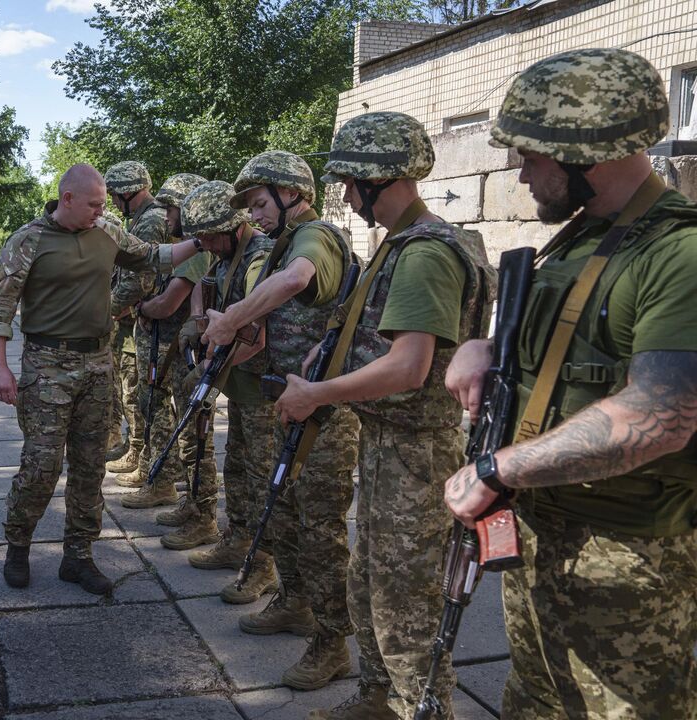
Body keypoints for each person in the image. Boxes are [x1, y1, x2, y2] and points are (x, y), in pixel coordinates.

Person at [444, 48, 697, 720]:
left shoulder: (678, 254)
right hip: (539, 532)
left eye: (532, 153)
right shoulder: (580, 241)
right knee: (534, 701)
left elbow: (662, 416)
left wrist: (499, 469)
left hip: (624, 560)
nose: (519, 171)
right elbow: (569, 343)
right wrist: (486, 346)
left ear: (589, 151)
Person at [276, 111, 495, 720]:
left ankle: (421, 708)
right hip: (389, 440)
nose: (344, 193)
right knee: (371, 580)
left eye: (351, 181)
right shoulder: (405, 244)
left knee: (406, 597)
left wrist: (316, 395)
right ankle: (379, 697)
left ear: (381, 180)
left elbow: (408, 368)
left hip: (414, 449)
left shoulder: (424, 253)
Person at [0, 163, 203, 595]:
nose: (102, 211)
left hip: (99, 364)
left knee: (89, 467)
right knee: (41, 465)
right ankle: (18, 545)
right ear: (67, 199)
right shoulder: (28, 241)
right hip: (47, 366)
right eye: (95, 204)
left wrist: (202, 241)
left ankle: (79, 555)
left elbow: (154, 256)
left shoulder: (108, 232)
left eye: (105, 204)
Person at [201, 151, 361, 689]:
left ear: (292, 193)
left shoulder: (315, 237)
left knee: (321, 530)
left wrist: (231, 322)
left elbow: (297, 281)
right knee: (283, 515)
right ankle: (296, 602)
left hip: (321, 413)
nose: (254, 214)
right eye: (249, 206)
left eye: (259, 202)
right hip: (286, 404)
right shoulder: (278, 245)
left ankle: (333, 640)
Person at [174, 179, 284, 607]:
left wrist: (206, 371)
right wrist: (198, 318)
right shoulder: (224, 255)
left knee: (261, 480)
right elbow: (207, 283)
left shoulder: (257, 257)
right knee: (237, 468)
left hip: (262, 386)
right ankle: (238, 541)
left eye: (207, 235)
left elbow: (254, 334)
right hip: (242, 384)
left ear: (232, 226)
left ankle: (263, 565)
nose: (202, 244)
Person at [129, 172, 220, 548]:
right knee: (187, 430)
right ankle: (193, 505)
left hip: (189, 356)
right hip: (181, 352)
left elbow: (168, 304)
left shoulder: (198, 253)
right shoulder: (189, 248)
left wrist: (140, 306)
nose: (165, 216)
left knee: (196, 437)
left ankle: (203, 515)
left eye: (171, 208)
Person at [103, 160, 160, 482]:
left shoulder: (149, 221)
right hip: (136, 317)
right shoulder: (143, 219)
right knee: (134, 391)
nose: (112, 201)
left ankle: (144, 455)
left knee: (138, 392)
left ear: (127, 192)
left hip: (145, 320)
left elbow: (141, 277)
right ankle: (137, 449)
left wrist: (107, 309)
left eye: (114, 195)